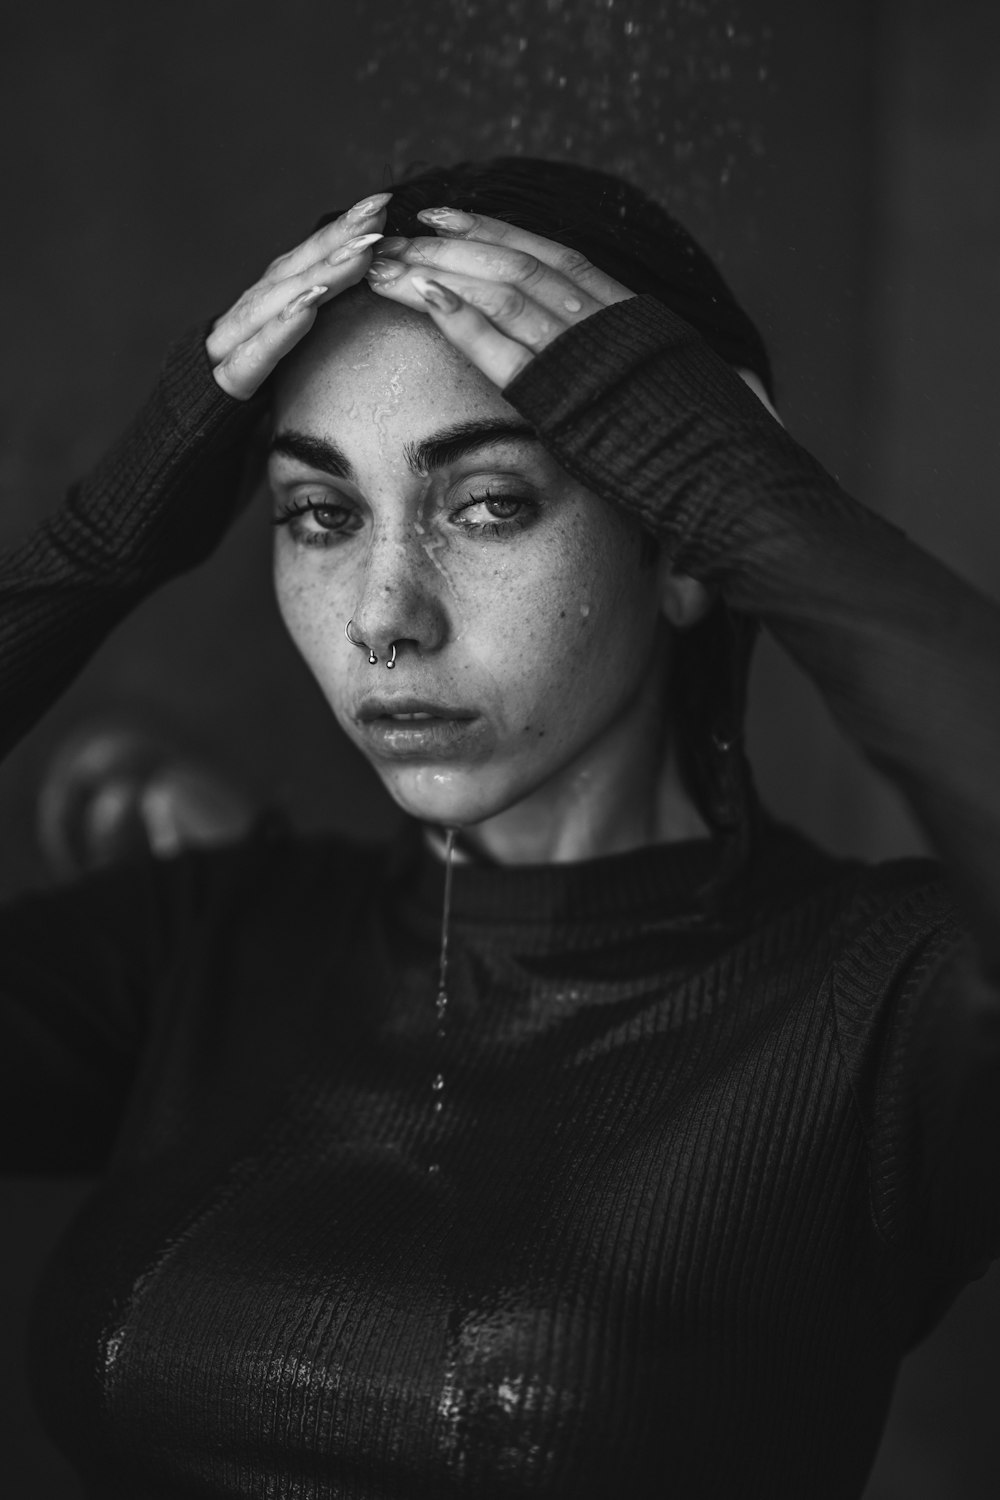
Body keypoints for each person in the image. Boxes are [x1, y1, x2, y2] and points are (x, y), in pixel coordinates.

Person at [2, 156, 998, 1499]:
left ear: (685, 542)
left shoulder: (885, 1010)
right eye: (320, 513)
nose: (383, 612)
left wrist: (750, 495)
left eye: (487, 506)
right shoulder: (202, 945)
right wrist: (100, 538)